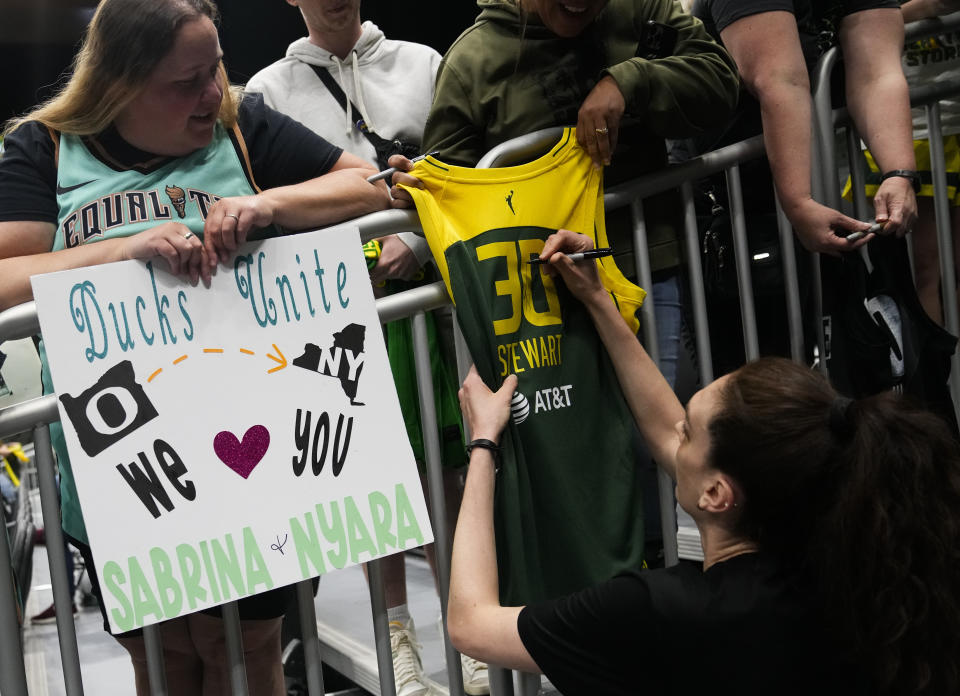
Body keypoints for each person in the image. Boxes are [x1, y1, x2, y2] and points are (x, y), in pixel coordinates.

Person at [0, 0, 390, 693]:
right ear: (119, 84)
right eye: (187, 83)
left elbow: (371, 182)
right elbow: (5, 279)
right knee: (165, 653)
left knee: (248, 641)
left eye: (215, 69)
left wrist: (269, 206)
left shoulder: (241, 128)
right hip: (121, 465)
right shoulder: (46, 147)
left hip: (256, 445)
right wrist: (120, 252)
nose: (213, 92)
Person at [446, 227, 960, 696]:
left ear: (717, 493)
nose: (675, 434)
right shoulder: (856, 571)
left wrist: (484, 443)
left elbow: (470, 623)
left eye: (688, 432)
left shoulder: (652, 610)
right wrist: (598, 300)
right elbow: (668, 428)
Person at [245, 3, 485, 694]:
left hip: (431, 297)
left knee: (450, 469)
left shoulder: (422, 64)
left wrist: (414, 242)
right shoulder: (267, 91)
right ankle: (397, 635)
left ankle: (468, 629)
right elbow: (270, 203)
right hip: (330, 317)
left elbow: (455, 166)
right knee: (370, 477)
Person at [694, 0, 919, 253]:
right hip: (736, 187)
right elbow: (780, 81)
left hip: (820, 172)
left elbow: (877, 74)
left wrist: (899, 174)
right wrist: (799, 204)